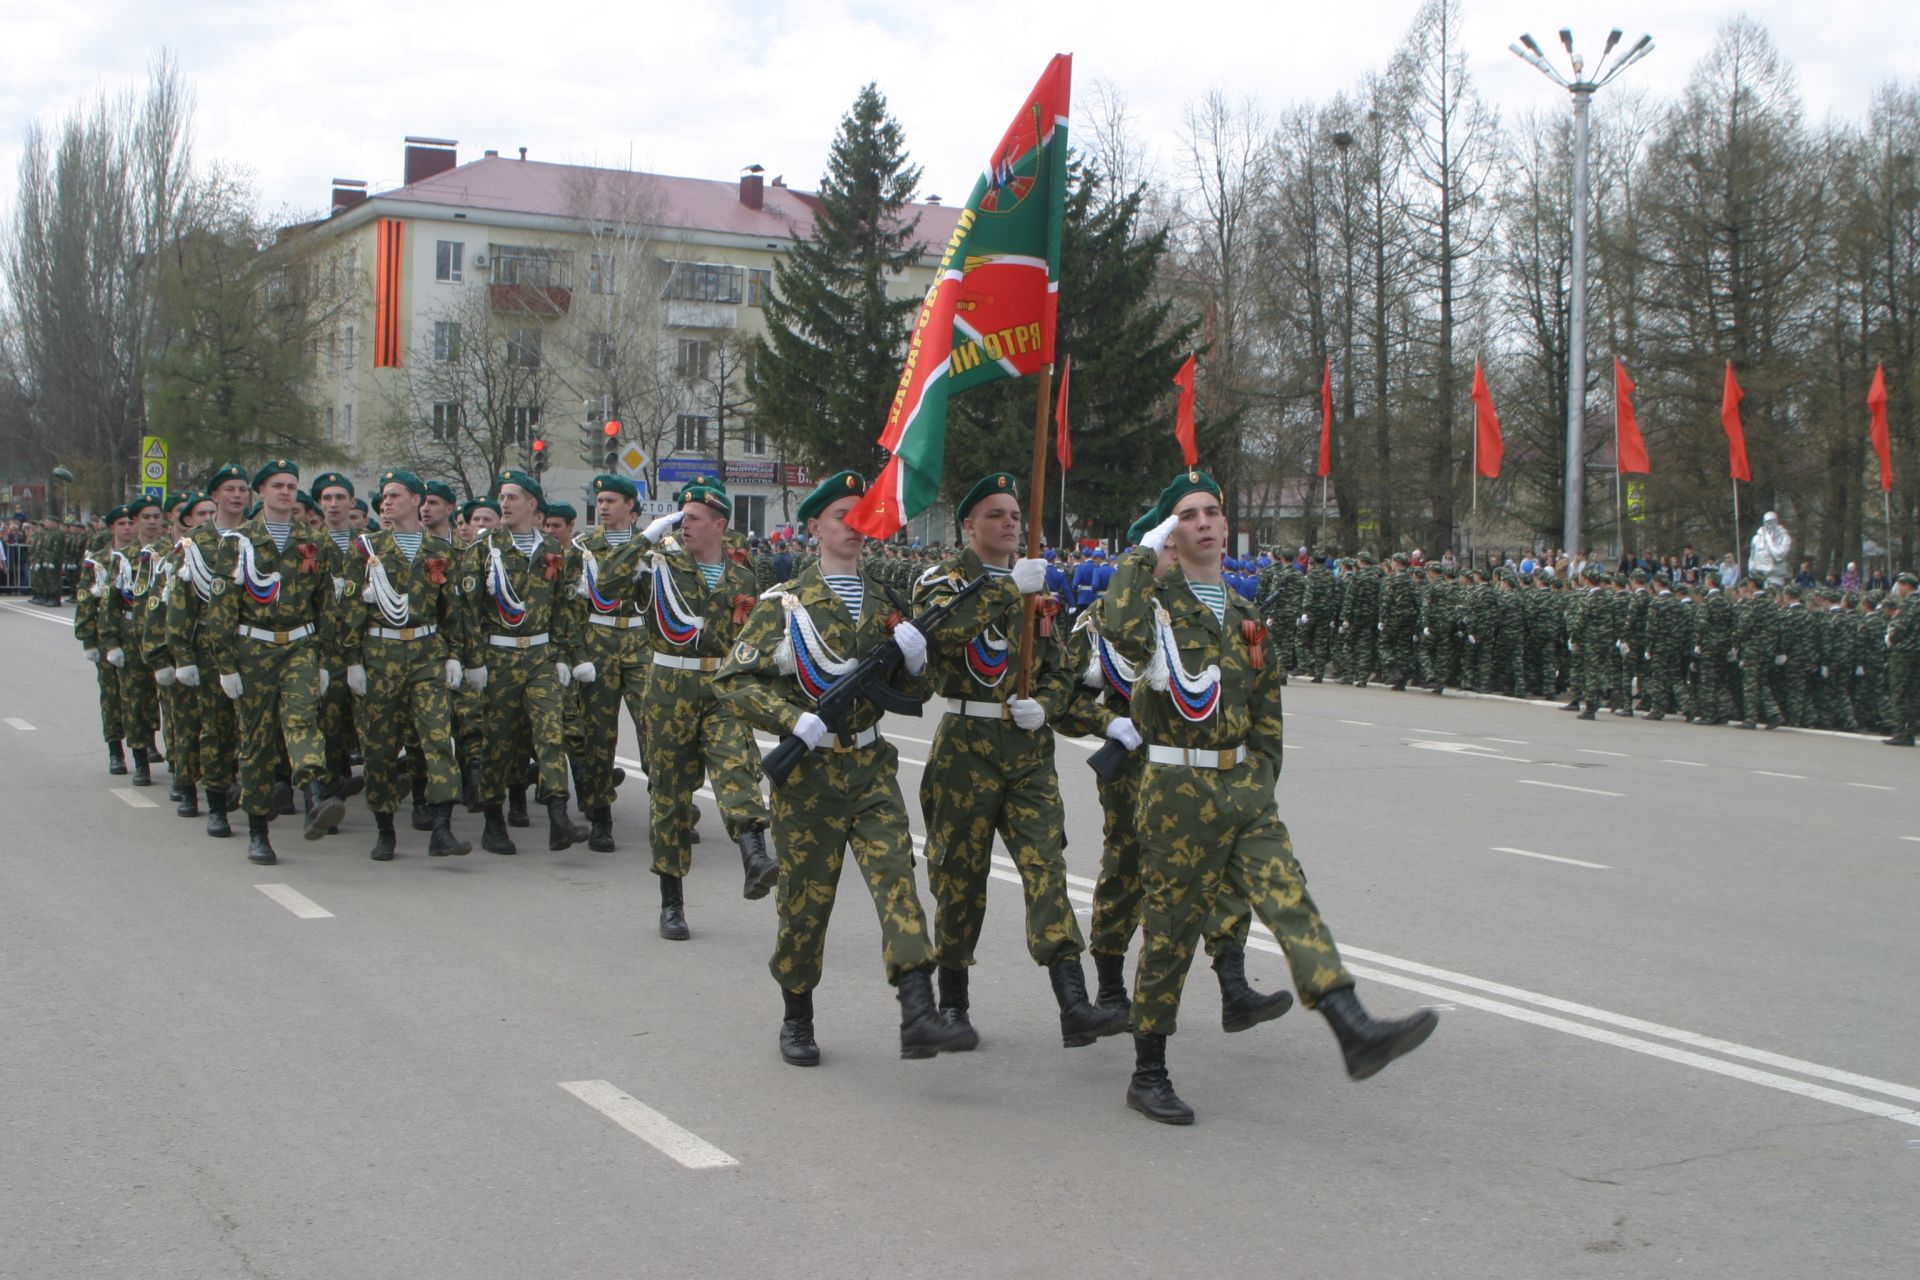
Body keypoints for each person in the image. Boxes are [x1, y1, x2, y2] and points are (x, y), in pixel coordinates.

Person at [1104, 470, 1437, 1124]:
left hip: (1242, 787)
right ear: (1174, 529)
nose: (1203, 522)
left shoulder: (1247, 613)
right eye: (1188, 514)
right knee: (1170, 930)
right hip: (1176, 788)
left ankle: (1351, 1025)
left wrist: (1259, 779)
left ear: (1226, 526)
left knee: (1288, 896)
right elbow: (1119, 633)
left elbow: (1267, 713)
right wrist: (1142, 553)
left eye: (1211, 512)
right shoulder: (1155, 603)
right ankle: (1149, 1071)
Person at [716, 470, 976, 1066]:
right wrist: (791, 720)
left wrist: (914, 663)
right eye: (842, 518)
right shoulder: (783, 605)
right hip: (809, 779)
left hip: (869, 765)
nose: (855, 528)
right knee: (807, 904)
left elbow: (923, 687)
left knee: (897, 884)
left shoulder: (886, 599)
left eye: (863, 518)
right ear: (814, 528)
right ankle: (797, 1016)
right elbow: (732, 683)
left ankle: (918, 1013)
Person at [912, 472, 1125, 1051]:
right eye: (997, 515)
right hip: (965, 744)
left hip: (1028, 750)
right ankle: (952, 1003)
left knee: (1046, 868)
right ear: (969, 525)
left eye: (1016, 516)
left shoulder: (1039, 588)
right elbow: (945, 634)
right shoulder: (944, 581)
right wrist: (1009, 590)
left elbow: (1060, 668)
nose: (1011, 524)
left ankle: (1073, 1002)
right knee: (959, 879)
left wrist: (1047, 705)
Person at [631, 475, 775, 939]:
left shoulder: (743, 576)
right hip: (669, 687)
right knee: (669, 797)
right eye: (679, 517)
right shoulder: (658, 565)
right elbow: (607, 583)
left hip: (721, 686)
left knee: (738, 766)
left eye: (692, 518)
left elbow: (751, 637)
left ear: (718, 524)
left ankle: (755, 857)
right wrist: (647, 536)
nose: (682, 524)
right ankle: (671, 903)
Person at [200, 459, 347, 864]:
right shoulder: (238, 541)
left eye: (291, 485)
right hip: (253, 649)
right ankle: (259, 831)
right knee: (258, 742)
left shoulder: (313, 540)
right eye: (277, 485)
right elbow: (222, 607)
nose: (286, 492)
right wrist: (226, 664)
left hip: (300, 644)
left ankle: (316, 795)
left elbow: (326, 603)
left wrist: (322, 656)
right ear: (259, 492)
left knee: (302, 720)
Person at [339, 469, 472, 860]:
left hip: (427, 653)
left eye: (395, 495)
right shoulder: (366, 550)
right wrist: (352, 661)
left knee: (436, 741)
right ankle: (385, 830)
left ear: (416, 500)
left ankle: (442, 827)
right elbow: (349, 610)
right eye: (383, 496)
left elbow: (453, 612)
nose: (386, 501)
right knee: (380, 748)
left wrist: (454, 656)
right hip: (380, 657)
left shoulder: (441, 552)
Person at [458, 470, 589, 856]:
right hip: (497, 655)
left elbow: (565, 609)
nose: (504, 503)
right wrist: (473, 660)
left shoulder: (552, 550)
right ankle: (493, 822)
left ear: (532, 504)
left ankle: (559, 816)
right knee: (499, 742)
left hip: (540, 655)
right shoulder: (484, 550)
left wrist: (566, 656)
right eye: (502, 496)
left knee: (551, 735)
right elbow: (468, 610)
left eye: (512, 497)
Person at [568, 475, 653, 853]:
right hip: (598, 640)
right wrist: (576, 655)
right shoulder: (583, 548)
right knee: (599, 734)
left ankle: (669, 808)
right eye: (599, 500)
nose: (602, 506)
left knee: (653, 724)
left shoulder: (653, 550)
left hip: (639, 639)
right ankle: (601, 814)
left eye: (611, 500)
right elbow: (572, 608)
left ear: (631, 508)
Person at [1886, 572, 1919, 747]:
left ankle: (1901, 732)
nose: (1898, 588)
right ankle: (1911, 731)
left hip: (1904, 653)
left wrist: (1891, 639)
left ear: (1906, 585)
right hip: (1918, 653)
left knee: (1899, 692)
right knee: (1913, 694)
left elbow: (1901, 627)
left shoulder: (1908, 603)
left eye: (1899, 584)